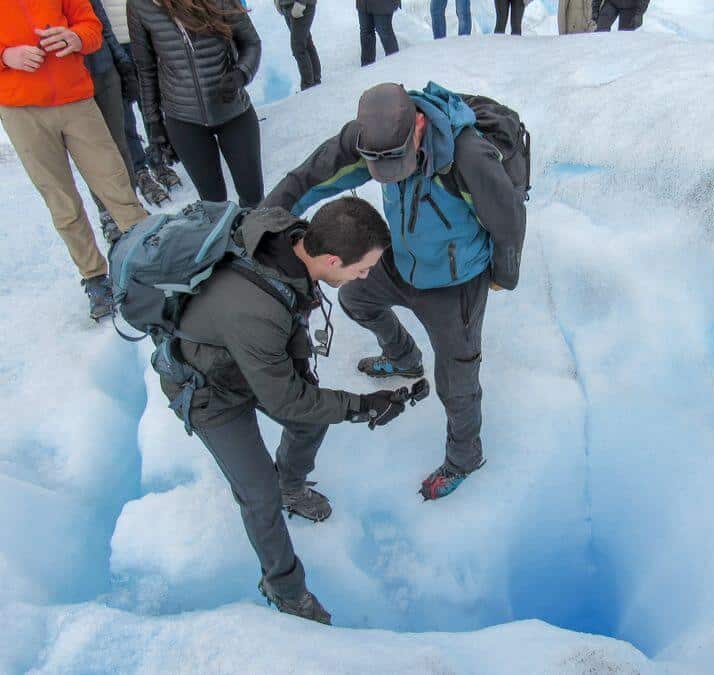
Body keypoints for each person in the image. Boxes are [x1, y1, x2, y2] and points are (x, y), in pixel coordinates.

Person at [262, 82, 527, 500]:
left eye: (397, 162)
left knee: (457, 379)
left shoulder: (467, 157)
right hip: (403, 262)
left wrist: (502, 276)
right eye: (378, 165)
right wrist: (260, 223)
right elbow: (308, 178)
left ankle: (464, 457)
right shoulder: (366, 139)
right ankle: (403, 357)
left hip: (454, 284)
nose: (388, 173)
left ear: (419, 126)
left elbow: (509, 222)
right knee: (355, 298)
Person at [158, 198, 402, 623]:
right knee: (258, 495)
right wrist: (360, 405)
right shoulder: (256, 310)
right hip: (209, 389)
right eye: (361, 269)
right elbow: (285, 399)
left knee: (311, 421)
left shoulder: (292, 238)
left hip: (252, 360)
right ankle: (285, 589)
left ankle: (291, 485)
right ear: (331, 259)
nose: (365, 277)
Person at [0, 0, 148, 320]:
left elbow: (92, 27)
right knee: (61, 200)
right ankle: (95, 277)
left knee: (115, 182)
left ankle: (149, 257)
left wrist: (75, 38)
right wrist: (5, 56)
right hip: (22, 112)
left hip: (77, 101)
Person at [127, 0, 265, 207]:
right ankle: (226, 238)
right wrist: (154, 124)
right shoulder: (140, 5)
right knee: (213, 204)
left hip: (233, 111)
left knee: (253, 197)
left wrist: (240, 74)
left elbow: (251, 42)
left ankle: (256, 237)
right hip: (183, 119)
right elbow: (146, 69)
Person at [98, 0, 176, 205]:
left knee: (151, 99)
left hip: (142, 31)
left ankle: (158, 153)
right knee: (122, 113)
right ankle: (139, 169)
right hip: (109, 43)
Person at [86, 0, 141, 243]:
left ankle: (130, 206)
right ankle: (107, 212)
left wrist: (121, 61)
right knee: (90, 150)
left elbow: (101, 22)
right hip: (72, 79)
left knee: (119, 143)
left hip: (103, 67)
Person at [276, 0, 321, 91]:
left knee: (298, 47)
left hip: (302, 5)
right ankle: (314, 81)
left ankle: (308, 85)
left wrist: (301, 3)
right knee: (305, 43)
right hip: (288, 5)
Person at [356, 0, 400, 67]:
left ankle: (395, 65)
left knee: (384, 32)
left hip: (383, 4)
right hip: (363, 4)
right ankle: (366, 68)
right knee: (365, 32)